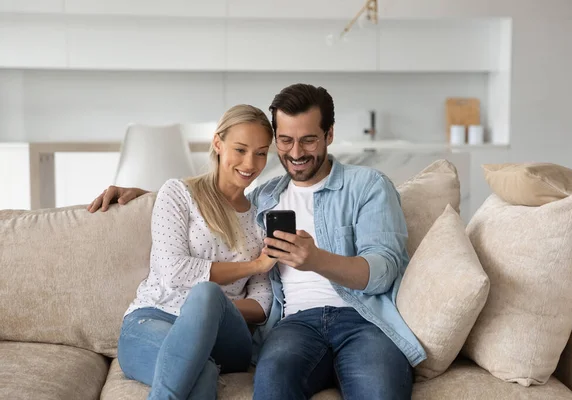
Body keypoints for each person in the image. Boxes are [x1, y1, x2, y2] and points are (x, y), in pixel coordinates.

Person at [90, 84, 426, 399]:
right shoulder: (267, 198)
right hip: (291, 324)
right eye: (285, 140)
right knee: (257, 381)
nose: (296, 153)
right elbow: (208, 207)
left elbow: (384, 269)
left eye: (308, 140)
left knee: (380, 389)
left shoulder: (365, 186)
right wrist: (143, 196)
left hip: (361, 318)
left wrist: (315, 259)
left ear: (329, 135)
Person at [100, 104, 277, 400]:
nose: (251, 162)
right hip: (152, 320)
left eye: (261, 152)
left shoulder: (260, 220)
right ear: (218, 143)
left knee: (207, 295)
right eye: (241, 149)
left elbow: (261, 306)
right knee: (202, 373)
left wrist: (213, 310)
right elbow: (174, 270)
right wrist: (254, 266)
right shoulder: (178, 193)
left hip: (226, 338)